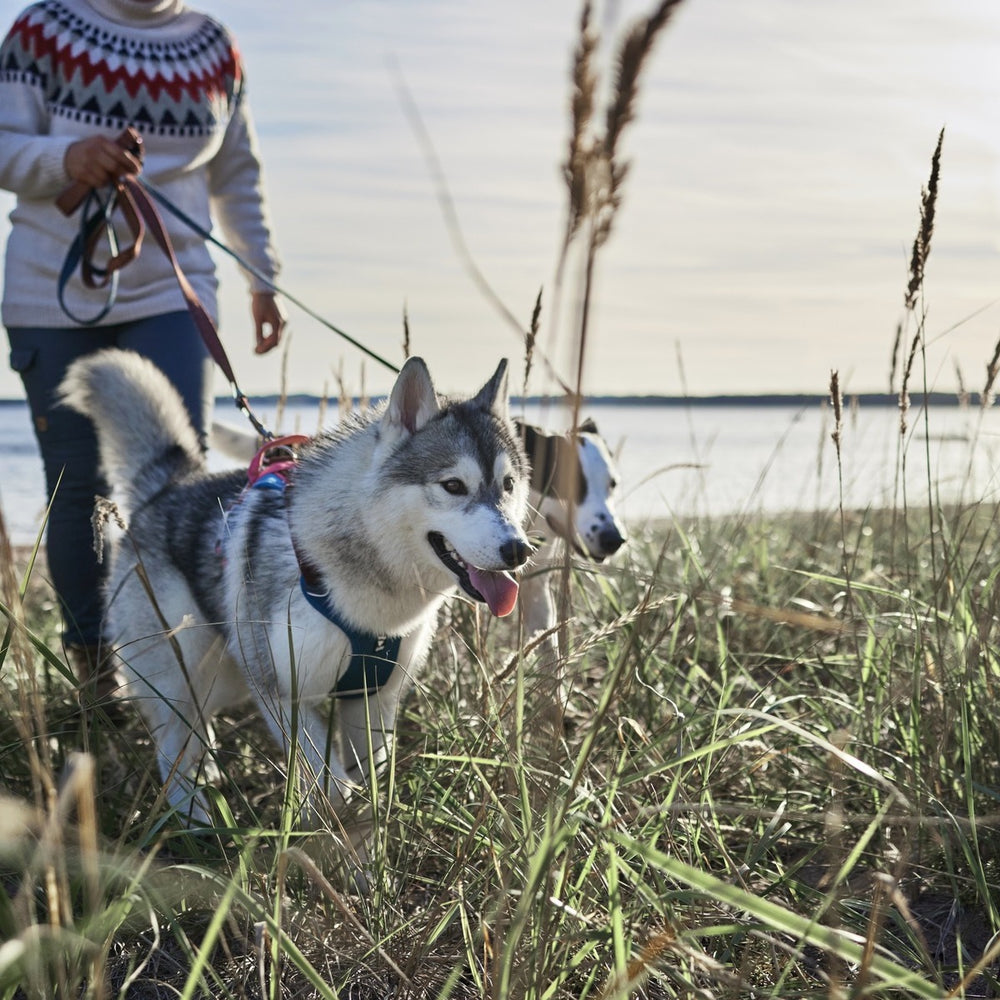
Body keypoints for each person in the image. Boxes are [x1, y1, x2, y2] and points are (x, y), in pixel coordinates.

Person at [0, 0, 287, 696]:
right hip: (50, 295)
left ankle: (187, 673)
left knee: (179, 481)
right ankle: (98, 681)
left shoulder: (215, 46)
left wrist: (263, 278)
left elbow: (237, 174)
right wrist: (65, 157)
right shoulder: (43, 30)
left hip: (172, 292)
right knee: (76, 490)